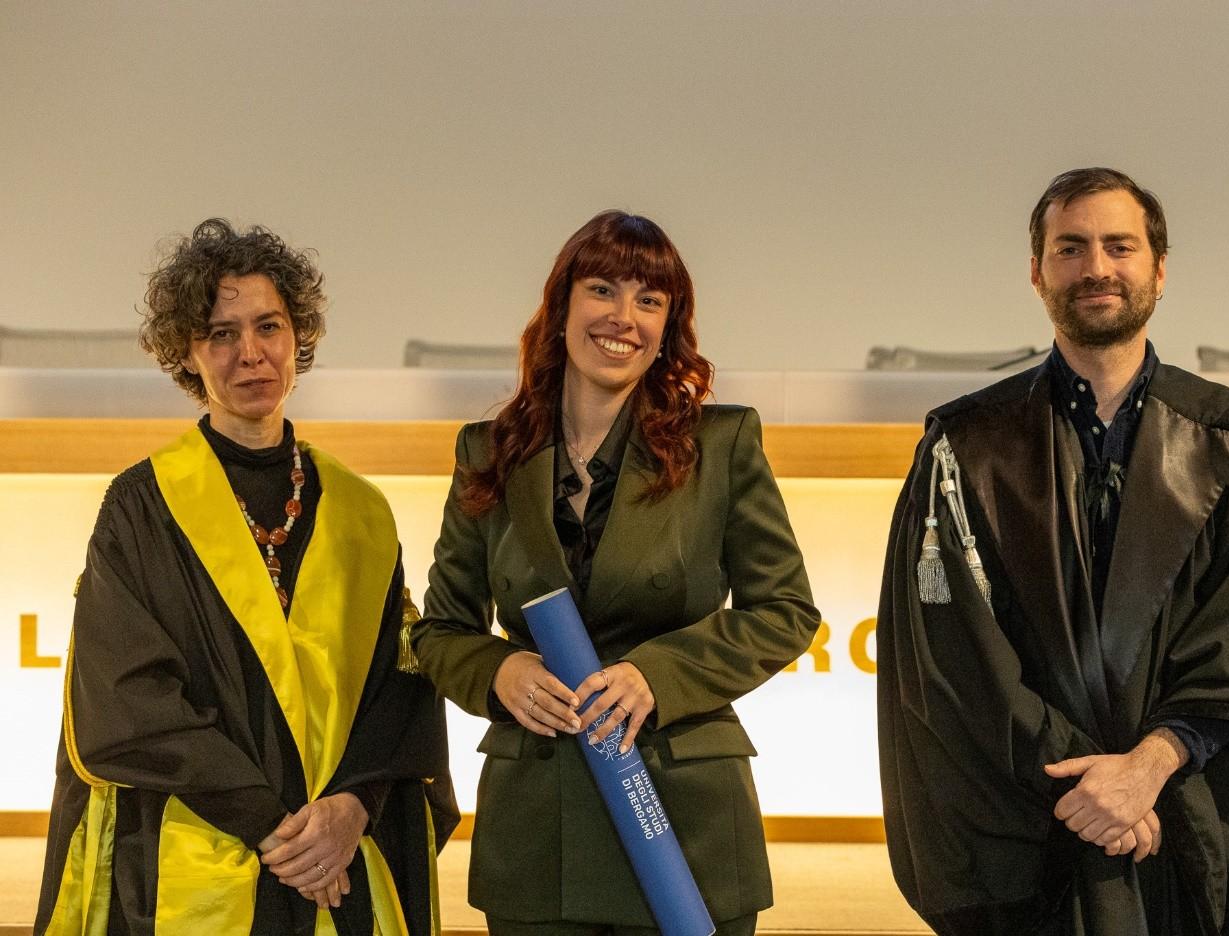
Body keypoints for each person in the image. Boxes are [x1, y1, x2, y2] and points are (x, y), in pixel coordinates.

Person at [877, 168, 1229, 935]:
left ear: (1159, 270)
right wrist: (1094, 790)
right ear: (1037, 272)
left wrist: (1148, 768)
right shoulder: (966, 448)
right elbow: (954, 661)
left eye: (1120, 246)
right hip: (1034, 823)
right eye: (1070, 248)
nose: (1096, 267)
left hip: (1190, 822)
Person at [35, 219, 457, 935]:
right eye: (221, 334)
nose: (251, 353)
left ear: (298, 336)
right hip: (198, 862)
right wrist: (274, 827)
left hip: (339, 865)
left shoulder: (359, 511)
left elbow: (399, 686)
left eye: (269, 326)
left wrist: (352, 810)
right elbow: (127, 700)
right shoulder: (142, 507)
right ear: (187, 352)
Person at [412, 210, 820, 935]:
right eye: (602, 289)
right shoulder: (487, 452)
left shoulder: (722, 444)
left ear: (668, 326)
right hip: (537, 834)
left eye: (649, 300)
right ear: (562, 305)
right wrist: (500, 672)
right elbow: (441, 629)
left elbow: (785, 610)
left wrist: (656, 676)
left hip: (684, 822)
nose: (622, 318)